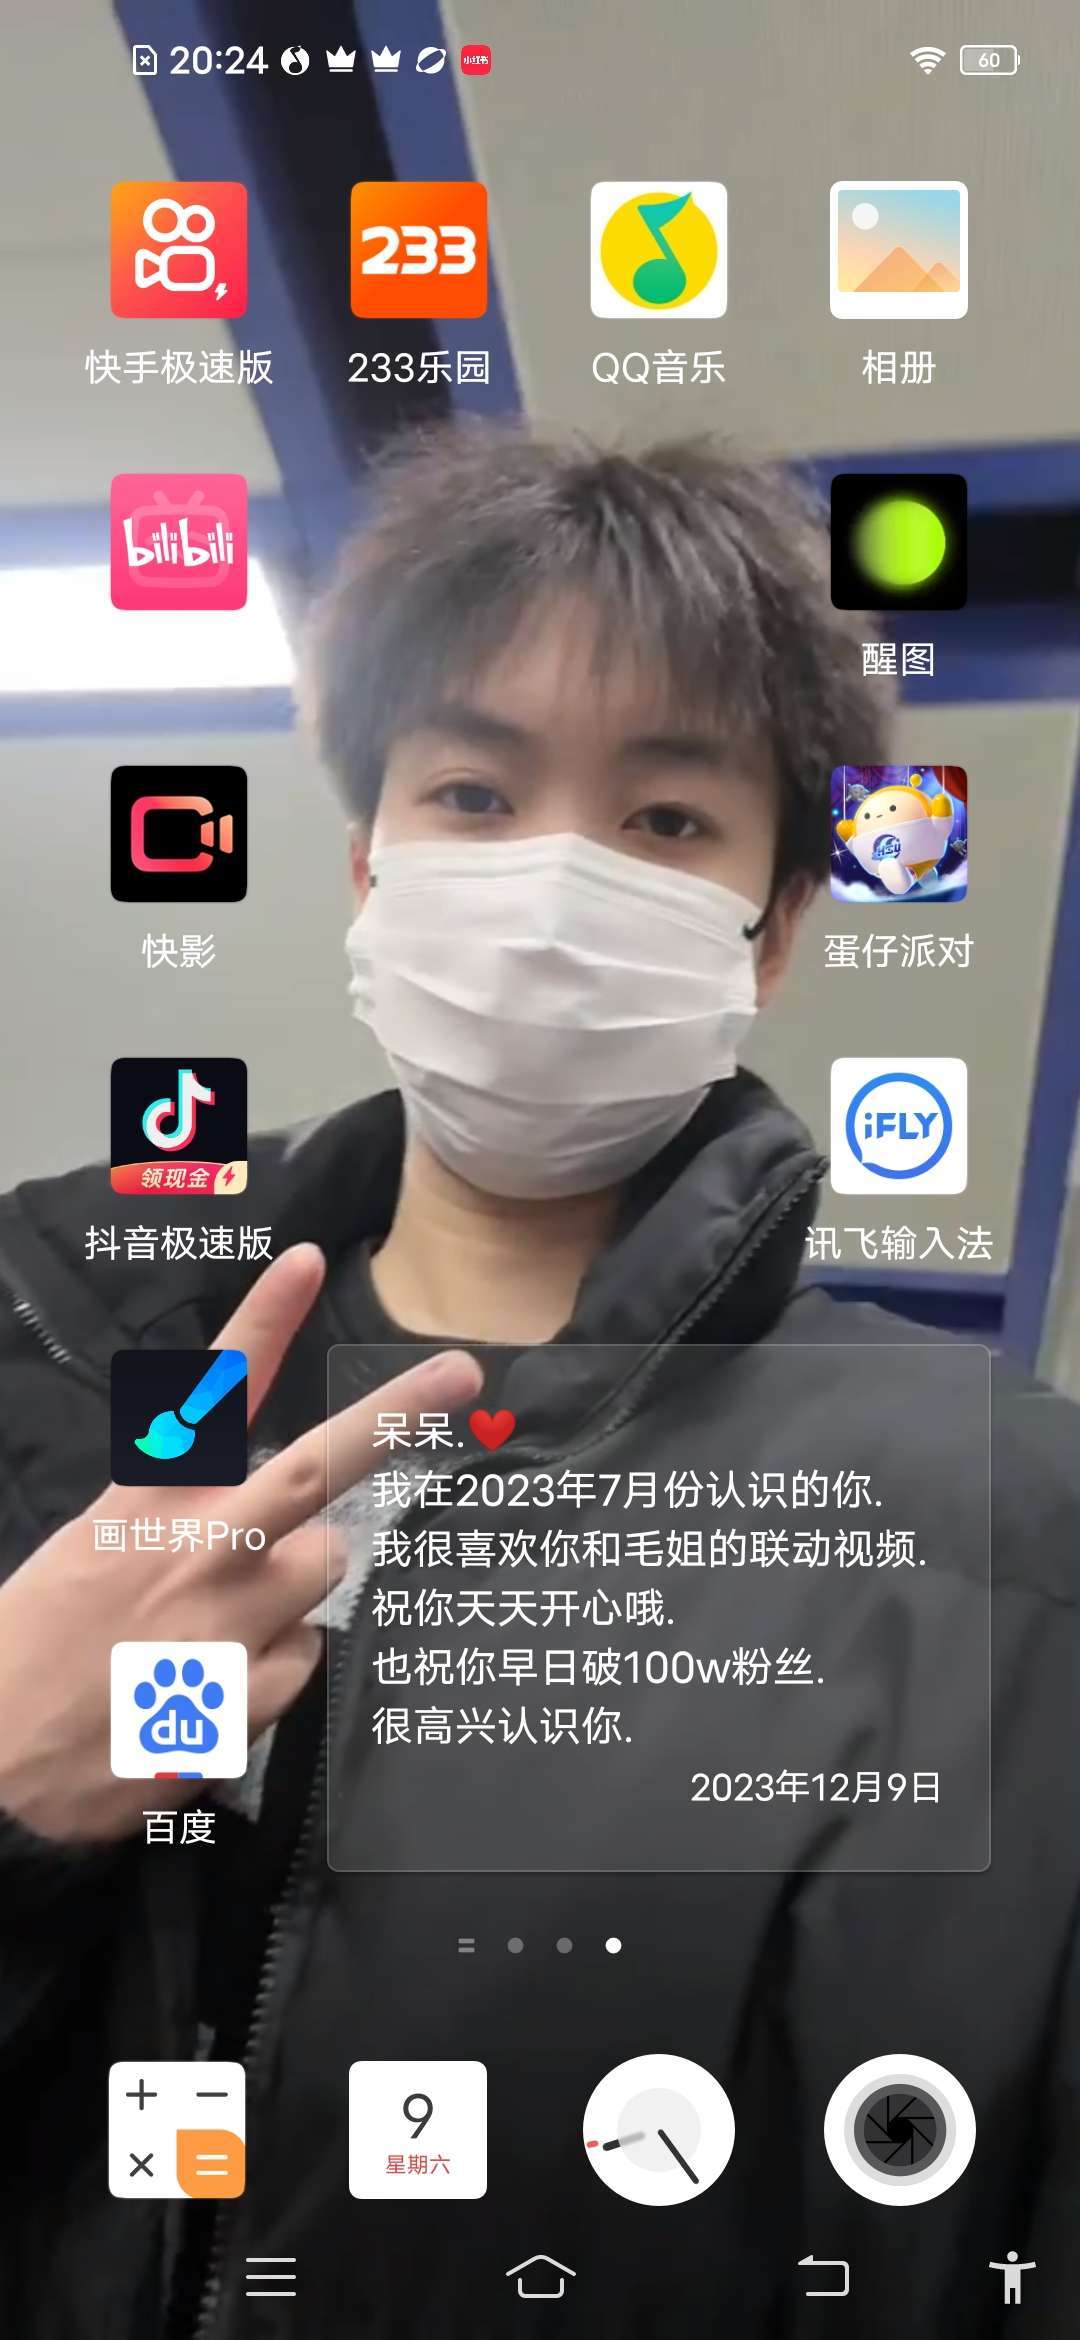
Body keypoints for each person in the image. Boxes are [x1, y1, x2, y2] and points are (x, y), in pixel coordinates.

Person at [1, 429, 1078, 2339]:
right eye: (476, 793)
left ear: (776, 928)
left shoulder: (987, 1530)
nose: (551, 886)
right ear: (369, 865)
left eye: (665, 820)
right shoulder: (49, 1346)